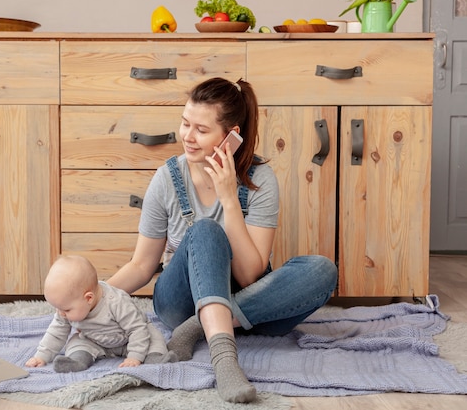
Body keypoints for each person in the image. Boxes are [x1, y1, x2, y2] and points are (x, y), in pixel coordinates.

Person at [106, 77, 338, 403]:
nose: (187, 136)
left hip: (253, 305)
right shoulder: (168, 177)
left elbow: (249, 276)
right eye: (185, 123)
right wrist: (96, 297)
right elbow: (142, 265)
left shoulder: (260, 180)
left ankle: (199, 327)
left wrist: (230, 200)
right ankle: (225, 361)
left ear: (232, 136)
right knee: (203, 230)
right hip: (180, 303)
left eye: (201, 130)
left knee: (322, 270)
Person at [26, 255, 177, 372]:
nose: (61, 314)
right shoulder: (67, 306)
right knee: (77, 342)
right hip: (97, 341)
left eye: (66, 309)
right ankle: (78, 360)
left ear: (88, 298)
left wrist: (135, 357)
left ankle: (157, 358)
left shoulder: (117, 302)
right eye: (57, 308)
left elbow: (137, 330)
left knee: (153, 339)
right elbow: (56, 333)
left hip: (129, 338)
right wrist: (41, 356)